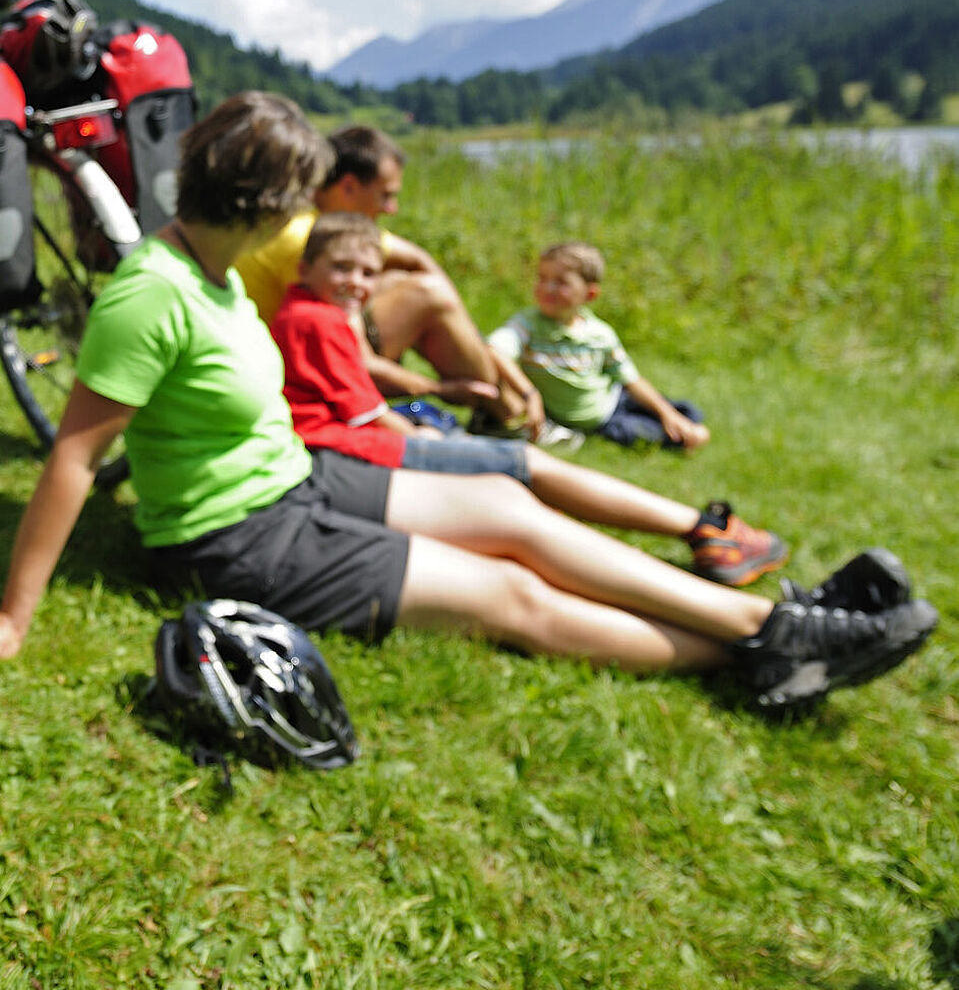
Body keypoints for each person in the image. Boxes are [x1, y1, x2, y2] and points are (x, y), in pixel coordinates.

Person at [0, 93, 937, 715]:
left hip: (299, 477)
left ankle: (771, 615)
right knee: (510, 594)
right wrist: (12, 618)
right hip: (238, 535)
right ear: (266, 201)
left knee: (507, 509)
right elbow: (76, 458)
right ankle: (769, 651)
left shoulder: (218, 268)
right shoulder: (154, 292)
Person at [272, 212, 786, 585]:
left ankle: (699, 531)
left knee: (510, 466)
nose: (357, 284)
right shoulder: (316, 321)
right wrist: (420, 439)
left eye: (367, 273)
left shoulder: (310, 311)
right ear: (305, 268)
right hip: (354, 448)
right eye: (341, 269)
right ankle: (704, 530)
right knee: (524, 462)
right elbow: (367, 412)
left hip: (346, 442)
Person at [235, 125, 539, 430]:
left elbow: (417, 258)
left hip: (294, 345)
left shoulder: (329, 227)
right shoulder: (307, 239)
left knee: (400, 280)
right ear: (349, 186)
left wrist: (468, 332)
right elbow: (358, 354)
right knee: (428, 295)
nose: (391, 209)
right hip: (288, 365)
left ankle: (506, 403)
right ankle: (507, 411)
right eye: (385, 195)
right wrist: (438, 389)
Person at [488, 240, 710, 451]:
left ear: (590, 293)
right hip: (603, 422)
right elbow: (494, 350)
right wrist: (530, 394)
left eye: (561, 282)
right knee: (641, 432)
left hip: (617, 396)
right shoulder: (527, 325)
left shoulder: (600, 333)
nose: (547, 288)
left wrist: (667, 413)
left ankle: (682, 420)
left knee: (680, 411)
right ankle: (687, 435)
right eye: (542, 278)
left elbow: (630, 379)